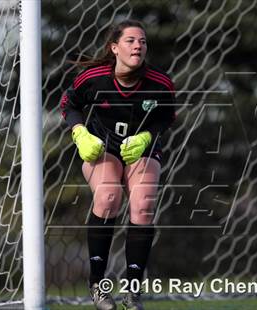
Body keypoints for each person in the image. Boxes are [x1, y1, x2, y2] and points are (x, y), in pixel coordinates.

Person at [60, 19, 176, 310]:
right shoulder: (94, 78)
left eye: (143, 41)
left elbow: (166, 117)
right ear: (114, 48)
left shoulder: (159, 83)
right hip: (103, 147)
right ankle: (98, 286)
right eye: (131, 40)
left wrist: (148, 136)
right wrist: (79, 133)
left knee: (143, 203)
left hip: (142, 148)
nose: (139, 45)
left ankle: (133, 293)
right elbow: (69, 103)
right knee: (109, 196)